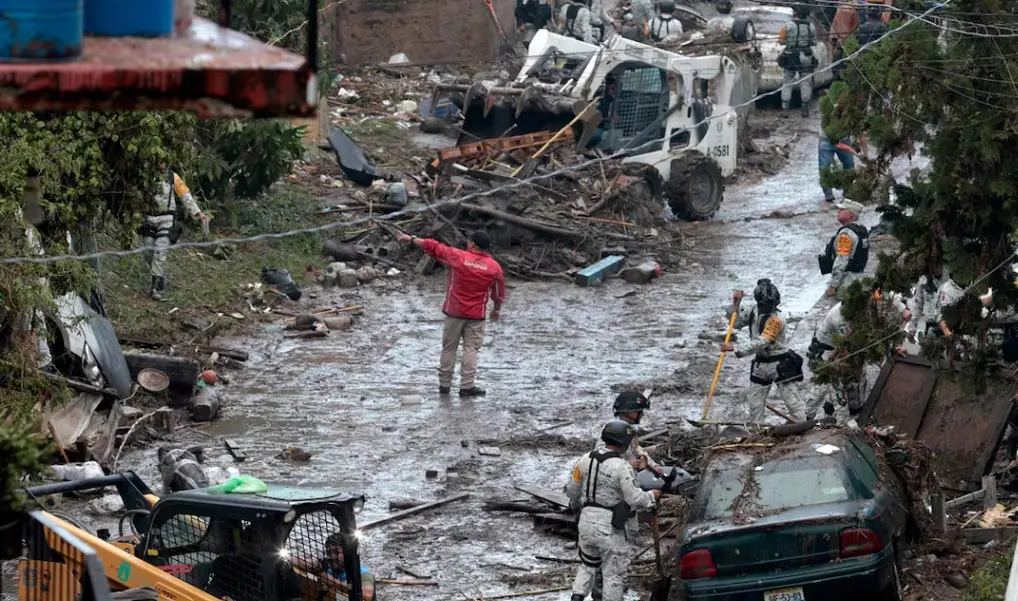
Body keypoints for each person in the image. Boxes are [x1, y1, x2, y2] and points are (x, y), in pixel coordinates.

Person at [397, 231, 506, 397]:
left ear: (472, 244)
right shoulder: (494, 267)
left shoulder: (458, 257)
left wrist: (411, 239)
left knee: (449, 349)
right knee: (471, 349)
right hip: (476, 316)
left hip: (454, 312)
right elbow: (498, 294)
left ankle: (444, 385)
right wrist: (496, 310)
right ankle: (467, 386)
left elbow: (433, 246)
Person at [568, 420, 659, 601]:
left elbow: (572, 490)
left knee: (587, 566)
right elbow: (634, 498)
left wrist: (577, 507)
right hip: (609, 527)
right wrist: (652, 496)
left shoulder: (584, 459)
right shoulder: (622, 467)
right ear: (624, 443)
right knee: (613, 574)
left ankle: (577, 597)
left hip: (586, 523)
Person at [807, 290, 911, 422]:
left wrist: (902, 309)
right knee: (828, 386)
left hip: (848, 348)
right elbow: (852, 346)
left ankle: (855, 410)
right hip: (830, 353)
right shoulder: (840, 319)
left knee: (858, 378)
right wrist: (880, 358)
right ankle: (812, 416)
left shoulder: (861, 301)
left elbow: (885, 294)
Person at [720, 279, 806, 423]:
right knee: (755, 403)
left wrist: (736, 348)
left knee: (792, 401)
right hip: (760, 364)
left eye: (772, 305)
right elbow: (736, 322)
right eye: (766, 305)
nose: (770, 307)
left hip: (780, 364)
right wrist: (736, 304)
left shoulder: (776, 320)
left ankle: (802, 425)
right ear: (759, 303)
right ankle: (757, 430)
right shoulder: (753, 310)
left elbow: (762, 342)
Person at [596, 391, 694, 492]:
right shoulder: (610, 431)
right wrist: (627, 465)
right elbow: (602, 461)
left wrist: (653, 466)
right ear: (629, 412)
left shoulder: (627, 429)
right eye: (639, 411)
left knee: (680, 475)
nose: (642, 414)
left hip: (627, 474)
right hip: (615, 482)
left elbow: (637, 449)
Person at [142, 164, 210, 300]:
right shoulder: (145, 176)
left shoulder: (173, 177)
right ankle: (159, 277)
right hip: (148, 217)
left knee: (160, 252)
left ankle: (154, 287)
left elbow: (185, 195)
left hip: (166, 218)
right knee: (148, 250)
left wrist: (198, 212)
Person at [291, 532, 376, 601]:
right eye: (328, 552)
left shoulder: (362, 574)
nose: (332, 557)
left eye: (336, 552)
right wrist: (312, 567)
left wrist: (331, 581)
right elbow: (296, 561)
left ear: (347, 554)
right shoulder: (325, 565)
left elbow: (367, 595)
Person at [819, 200, 869, 300]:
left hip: (845, 281)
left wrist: (833, 286)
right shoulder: (861, 230)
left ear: (850, 214)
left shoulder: (846, 234)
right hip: (858, 277)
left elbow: (841, 260)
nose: (839, 211)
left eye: (842, 209)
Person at [777, 4, 817, 117]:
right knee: (805, 81)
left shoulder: (788, 25)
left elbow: (780, 41)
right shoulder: (811, 26)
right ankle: (804, 109)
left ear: (796, 13)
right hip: (806, 56)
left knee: (787, 81)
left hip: (790, 55)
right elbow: (814, 42)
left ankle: (785, 110)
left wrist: (790, 42)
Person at [818, 112, 856, 203]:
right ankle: (828, 193)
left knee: (849, 163)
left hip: (844, 139)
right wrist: (835, 140)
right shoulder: (828, 105)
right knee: (824, 166)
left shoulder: (851, 108)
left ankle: (848, 191)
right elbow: (824, 123)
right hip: (826, 139)